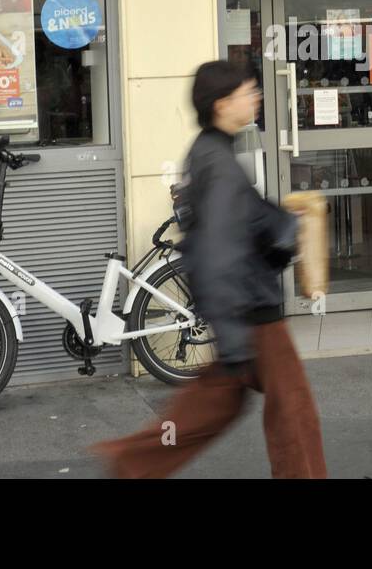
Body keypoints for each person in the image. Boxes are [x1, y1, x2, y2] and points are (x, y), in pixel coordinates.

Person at [89, 60, 327, 479]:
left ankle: (131, 463)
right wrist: (235, 342)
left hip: (244, 314)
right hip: (253, 318)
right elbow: (217, 253)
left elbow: (239, 228)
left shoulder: (211, 151)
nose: (255, 98)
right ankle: (131, 463)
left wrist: (278, 232)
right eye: (247, 92)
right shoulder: (218, 164)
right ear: (221, 104)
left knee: (208, 412)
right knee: (295, 417)